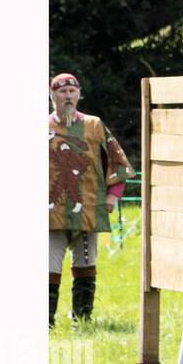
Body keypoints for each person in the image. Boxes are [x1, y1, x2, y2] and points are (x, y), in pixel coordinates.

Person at [48, 72, 133, 326]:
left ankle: (82, 320)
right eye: (62, 92)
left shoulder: (94, 126)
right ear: (52, 95)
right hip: (50, 214)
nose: (67, 96)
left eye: (72, 92)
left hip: (88, 210)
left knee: (86, 267)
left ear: (79, 94)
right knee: (48, 270)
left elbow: (117, 161)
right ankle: (45, 322)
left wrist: (112, 196)